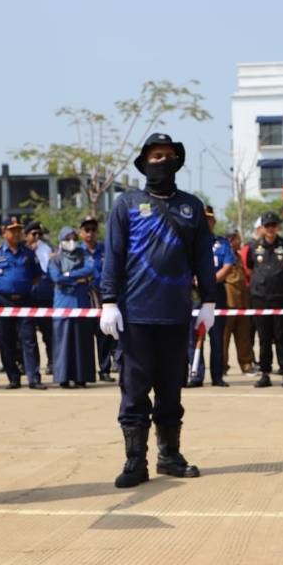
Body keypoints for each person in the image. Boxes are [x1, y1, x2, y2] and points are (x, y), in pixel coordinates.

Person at [99, 132, 216, 489]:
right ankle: (135, 461)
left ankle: (169, 456)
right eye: (155, 156)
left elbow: (202, 259)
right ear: (144, 162)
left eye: (168, 156)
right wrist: (108, 301)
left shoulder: (191, 206)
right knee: (134, 391)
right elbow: (113, 255)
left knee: (171, 389)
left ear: (177, 162)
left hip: (176, 314)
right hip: (135, 316)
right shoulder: (126, 204)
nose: (161, 162)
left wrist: (209, 301)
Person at [0, 217, 46, 390]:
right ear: (4, 232)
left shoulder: (28, 253)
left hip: (25, 301)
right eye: (13, 229)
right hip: (2, 301)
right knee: (6, 340)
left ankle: (34, 378)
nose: (17, 233)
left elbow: (36, 276)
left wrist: (20, 287)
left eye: (19, 229)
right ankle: (13, 378)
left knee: (29, 340)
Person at [246, 211, 283, 388]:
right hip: (260, 299)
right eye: (267, 226)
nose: (270, 229)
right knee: (264, 338)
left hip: (281, 299)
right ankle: (265, 374)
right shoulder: (254, 247)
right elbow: (250, 269)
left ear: (277, 227)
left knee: (282, 337)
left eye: (273, 225)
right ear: (262, 228)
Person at [187, 206, 231, 388]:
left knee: (217, 337)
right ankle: (196, 375)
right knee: (193, 336)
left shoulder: (223, 244)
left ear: (214, 222)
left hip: (216, 293)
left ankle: (217, 376)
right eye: (203, 219)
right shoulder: (189, 243)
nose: (206, 223)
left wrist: (209, 280)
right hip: (194, 294)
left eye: (209, 220)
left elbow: (228, 266)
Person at [49, 226, 96, 389]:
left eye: (74, 238)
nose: (72, 242)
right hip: (63, 305)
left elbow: (91, 269)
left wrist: (68, 275)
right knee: (63, 343)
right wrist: (78, 278)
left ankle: (81, 377)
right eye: (68, 238)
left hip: (81, 304)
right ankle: (63, 377)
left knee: (81, 341)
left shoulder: (84, 255)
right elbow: (56, 277)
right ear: (61, 240)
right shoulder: (55, 258)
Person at [80, 215, 115, 383]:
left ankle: (105, 369)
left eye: (93, 229)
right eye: (87, 230)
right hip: (84, 298)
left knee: (104, 336)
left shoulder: (105, 250)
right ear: (81, 232)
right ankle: (86, 373)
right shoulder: (76, 251)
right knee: (85, 337)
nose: (90, 233)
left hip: (102, 298)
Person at [221, 229, 257, 377]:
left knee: (244, 337)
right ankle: (222, 366)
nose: (240, 242)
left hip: (242, 303)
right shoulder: (223, 255)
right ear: (231, 240)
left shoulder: (238, 256)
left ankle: (247, 365)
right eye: (238, 240)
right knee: (224, 337)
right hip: (228, 303)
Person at [24, 220, 54, 376]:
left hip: (44, 295)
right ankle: (29, 367)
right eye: (33, 234)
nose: (37, 237)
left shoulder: (47, 249)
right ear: (26, 236)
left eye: (39, 234)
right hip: (27, 296)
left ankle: (52, 362)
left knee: (48, 333)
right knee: (28, 336)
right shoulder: (23, 251)